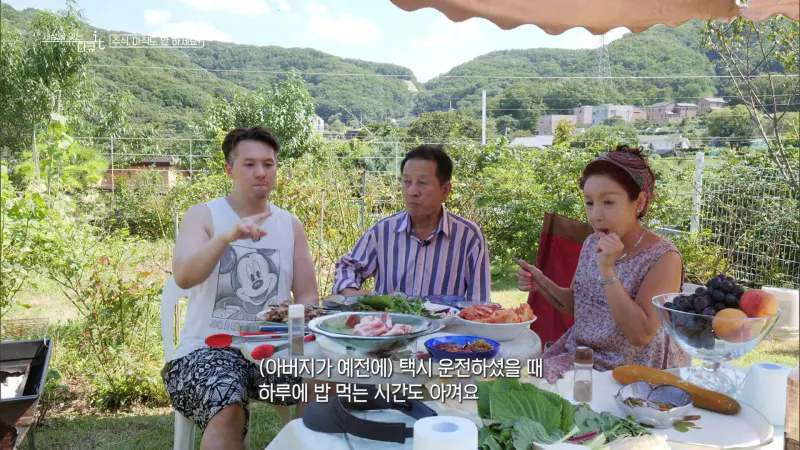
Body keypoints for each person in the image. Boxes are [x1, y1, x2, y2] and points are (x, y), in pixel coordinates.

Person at [164, 127, 318, 450]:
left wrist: (294, 345)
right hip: (206, 351)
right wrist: (225, 238)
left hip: (273, 352)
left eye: (268, 164)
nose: (261, 172)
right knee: (227, 408)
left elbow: (307, 296)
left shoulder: (290, 225)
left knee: (326, 382)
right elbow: (184, 276)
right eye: (249, 164)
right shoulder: (203, 216)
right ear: (229, 169)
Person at [517, 146, 689, 382]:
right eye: (589, 203)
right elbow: (580, 306)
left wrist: (607, 270)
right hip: (580, 355)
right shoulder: (592, 242)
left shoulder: (664, 258)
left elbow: (640, 335)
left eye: (608, 202)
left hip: (630, 372)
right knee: (506, 376)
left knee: (523, 383)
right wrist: (543, 283)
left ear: (639, 202)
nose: (596, 215)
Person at [333, 144, 491, 304]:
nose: (412, 191)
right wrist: (356, 296)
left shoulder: (468, 237)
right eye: (407, 182)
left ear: (445, 190)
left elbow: (479, 304)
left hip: (447, 321)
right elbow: (347, 267)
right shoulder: (383, 232)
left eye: (422, 183)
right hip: (391, 320)